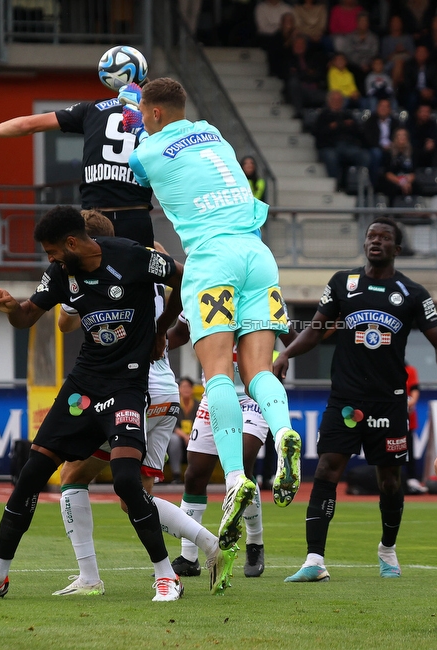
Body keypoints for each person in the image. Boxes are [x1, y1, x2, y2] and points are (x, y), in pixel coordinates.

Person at [0, 206, 188, 602]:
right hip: (82, 388)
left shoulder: (131, 255)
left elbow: (183, 276)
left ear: (73, 242)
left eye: (52, 251)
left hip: (127, 386)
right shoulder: (62, 275)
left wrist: (163, 329)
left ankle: (167, 576)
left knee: (127, 481)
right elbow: (28, 316)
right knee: (31, 474)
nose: (51, 259)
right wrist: (12, 309)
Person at [124, 78, 303, 551]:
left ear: (155, 114)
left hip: (212, 259)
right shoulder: (213, 133)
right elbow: (180, 142)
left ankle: (238, 478)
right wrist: (144, 117)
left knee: (218, 374)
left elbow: (136, 170)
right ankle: (284, 431)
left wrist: (132, 125)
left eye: (145, 113)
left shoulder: (148, 146)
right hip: (257, 255)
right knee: (259, 370)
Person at [50, 213, 232, 597]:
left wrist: (72, 301)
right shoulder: (148, 258)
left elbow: (65, 325)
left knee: (72, 476)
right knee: (135, 494)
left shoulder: (88, 274)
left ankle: (90, 577)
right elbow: (179, 278)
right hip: (164, 387)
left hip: (130, 388)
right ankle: (213, 547)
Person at [275, 218, 437, 582]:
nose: (376, 242)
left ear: (397, 248)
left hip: (389, 402)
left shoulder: (412, 292)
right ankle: (314, 560)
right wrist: (286, 355)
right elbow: (315, 330)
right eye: (372, 236)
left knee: (390, 481)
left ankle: (387, 549)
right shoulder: (343, 282)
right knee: (327, 469)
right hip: (345, 397)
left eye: (385, 238)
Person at [0, 57, 154, 245]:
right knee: (143, 272)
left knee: (85, 275)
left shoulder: (91, 110)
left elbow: (28, 124)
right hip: (135, 215)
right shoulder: (155, 116)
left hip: (94, 219)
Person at [168, 318, 274, 579]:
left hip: (252, 395)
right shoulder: (200, 294)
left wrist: (284, 358)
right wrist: (150, 341)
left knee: (243, 465)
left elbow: (292, 335)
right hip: (214, 394)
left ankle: (254, 543)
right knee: (195, 474)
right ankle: (188, 557)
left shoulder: (259, 294)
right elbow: (179, 332)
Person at [313, 90, 370, 186]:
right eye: (334, 100)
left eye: (339, 100)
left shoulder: (348, 115)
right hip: (330, 146)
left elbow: (359, 132)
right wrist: (332, 127)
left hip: (348, 146)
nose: (337, 102)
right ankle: (335, 185)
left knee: (364, 156)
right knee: (331, 156)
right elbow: (318, 134)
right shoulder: (323, 116)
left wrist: (350, 126)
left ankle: (358, 186)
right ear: (329, 101)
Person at [364, 98, 401, 180]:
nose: (383, 109)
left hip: (392, 147)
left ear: (390, 109)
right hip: (376, 147)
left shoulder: (395, 122)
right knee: (376, 153)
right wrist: (382, 147)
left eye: (386, 107)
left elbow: (399, 136)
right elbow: (368, 139)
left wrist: (392, 145)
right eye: (381, 106)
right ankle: (374, 182)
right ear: (377, 107)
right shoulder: (370, 121)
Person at [404, 362, 427, 493]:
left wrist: (408, 403)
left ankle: (411, 479)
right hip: (386, 419)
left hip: (407, 418)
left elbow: (414, 391)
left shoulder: (410, 370)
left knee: (408, 447)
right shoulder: (383, 368)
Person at [378, 128, 417, 200]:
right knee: (391, 188)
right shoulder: (388, 153)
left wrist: (406, 182)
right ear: (395, 138)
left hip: (407, 179)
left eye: (404, 135)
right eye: (399, 135)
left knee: (415, 187)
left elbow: (413, 173)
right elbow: (387, 173)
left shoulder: (412, 153)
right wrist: (401, 182)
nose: (402, 137)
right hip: (393, 179)